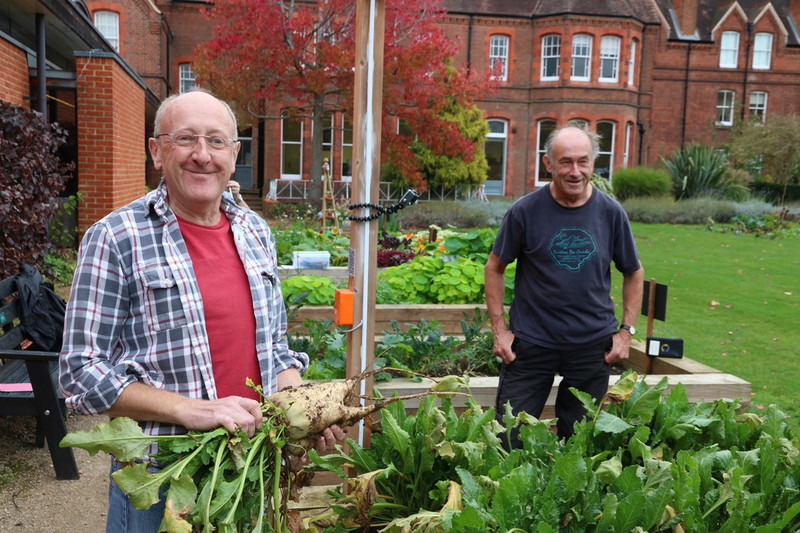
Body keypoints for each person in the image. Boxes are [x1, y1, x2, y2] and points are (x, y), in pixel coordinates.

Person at [59, 88, 344, 532]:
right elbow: (80, 372)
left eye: (215, 141)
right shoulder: (115, 237)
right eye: (185, 139)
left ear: (233, 154)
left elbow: (275, 349)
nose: (201, 155)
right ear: (157, 151)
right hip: (163, 474)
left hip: (252, 467)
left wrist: (303, 405)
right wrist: (189, 409)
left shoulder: (255, 232)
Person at [484, 124, 644, 444]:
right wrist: (500, 331)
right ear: (549, 164)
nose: (575, 171)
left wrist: (626, 332)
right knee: (508, 438)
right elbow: (495, 267)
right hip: (531, 345)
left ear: (592, 164)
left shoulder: (611, 213)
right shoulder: (525, 211)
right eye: (566, 162)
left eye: (583, 162)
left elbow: (634, 272)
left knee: (579, 443)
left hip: (591, 347)